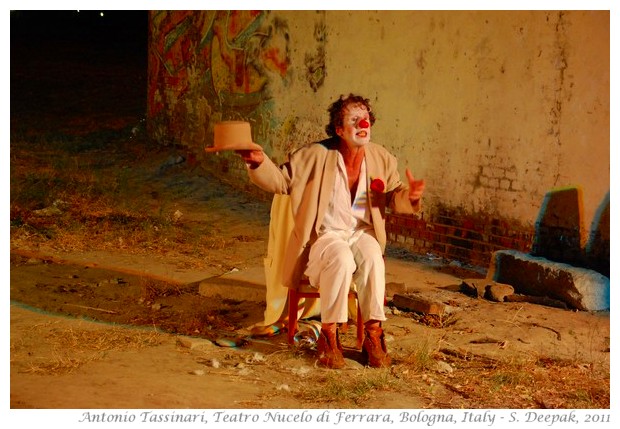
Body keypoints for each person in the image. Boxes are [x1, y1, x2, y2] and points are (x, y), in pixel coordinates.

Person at [236, 93, 425, 368]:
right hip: (326, 236)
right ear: (339, 129)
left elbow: (394, 195)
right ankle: (329, 336)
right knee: (341, 258)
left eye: (367, 118)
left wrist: (412, 197)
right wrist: (257, 162)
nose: (363, 123)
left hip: (361, 232)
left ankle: (373, 337)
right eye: (354, 119)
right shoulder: (314, 156)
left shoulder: (380, 158)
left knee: (372, 256)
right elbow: (281, 181)